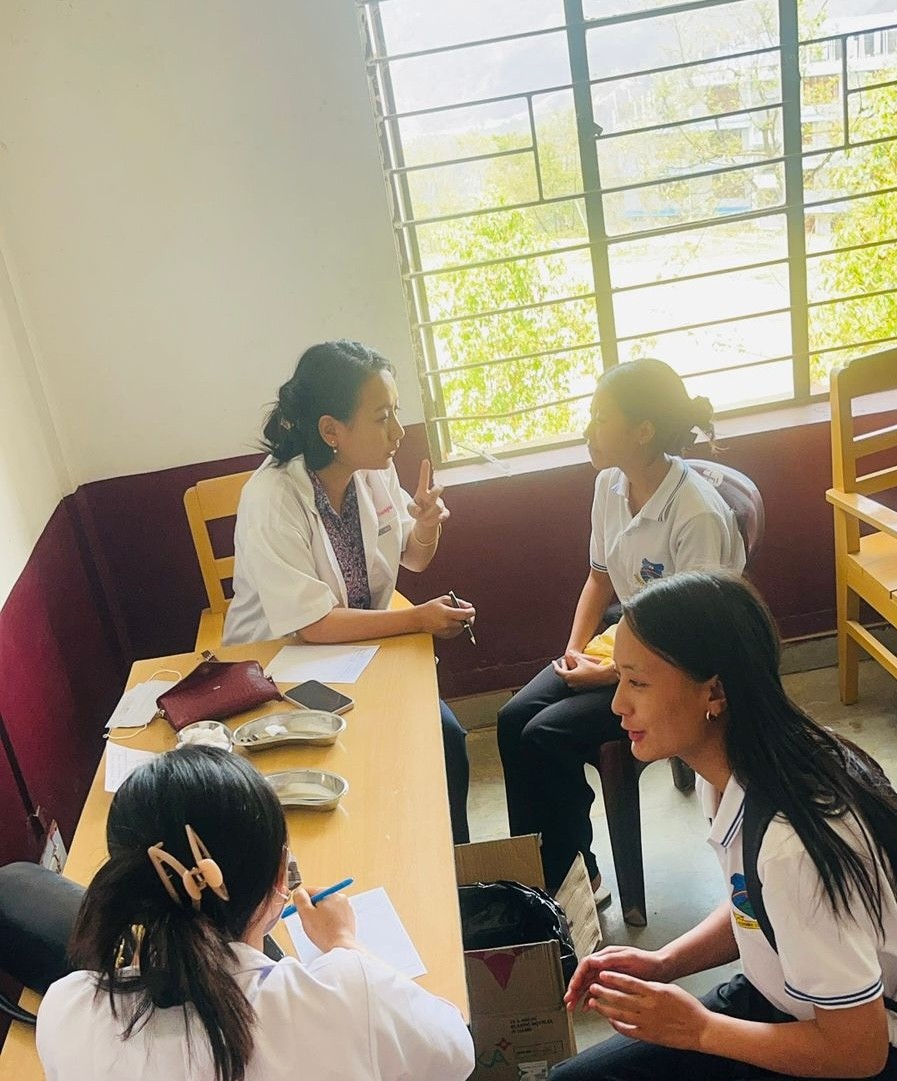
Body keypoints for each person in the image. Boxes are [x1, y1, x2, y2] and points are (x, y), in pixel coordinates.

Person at [553, 571, 897, 1080]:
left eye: (638, 681)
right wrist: (666, 961)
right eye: (619, 678)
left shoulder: (790, 846)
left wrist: (698, 1030)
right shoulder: (743, 765)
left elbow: (858, 1051)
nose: (617, 704)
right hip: (780, 999)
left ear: (713, 691)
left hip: (848, 1046)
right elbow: (753, 899)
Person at [36, 746, 474, 1081]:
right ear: (280, 878)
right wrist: (345, 944)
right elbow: (456, 1050)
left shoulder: (65, 1010)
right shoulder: (348, 995)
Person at [498, 359, 745, 912]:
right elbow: (599, 576)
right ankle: (549, 870)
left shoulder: (695, 512)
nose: (589, 429)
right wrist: (575, 647)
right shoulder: (610, 484)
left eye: (600, 417)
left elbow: (691, 642)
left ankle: (572, 884)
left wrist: (608, 673)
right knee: (514, 720)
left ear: (643, 431)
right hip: (628, 646)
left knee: (545, 735)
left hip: (676, 673)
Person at [223, 339, 476, 841]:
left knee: (445, 739)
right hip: (280, 669)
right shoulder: (273, 498)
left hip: (359, 652)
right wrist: (419, 619)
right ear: (331, 430)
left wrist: (426, 524)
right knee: (355, 766)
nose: (399, 433)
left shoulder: (373, 473)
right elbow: (314, 625)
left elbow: (414, 556)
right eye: (383, 417)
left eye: (396, 413)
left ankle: (454, 868)